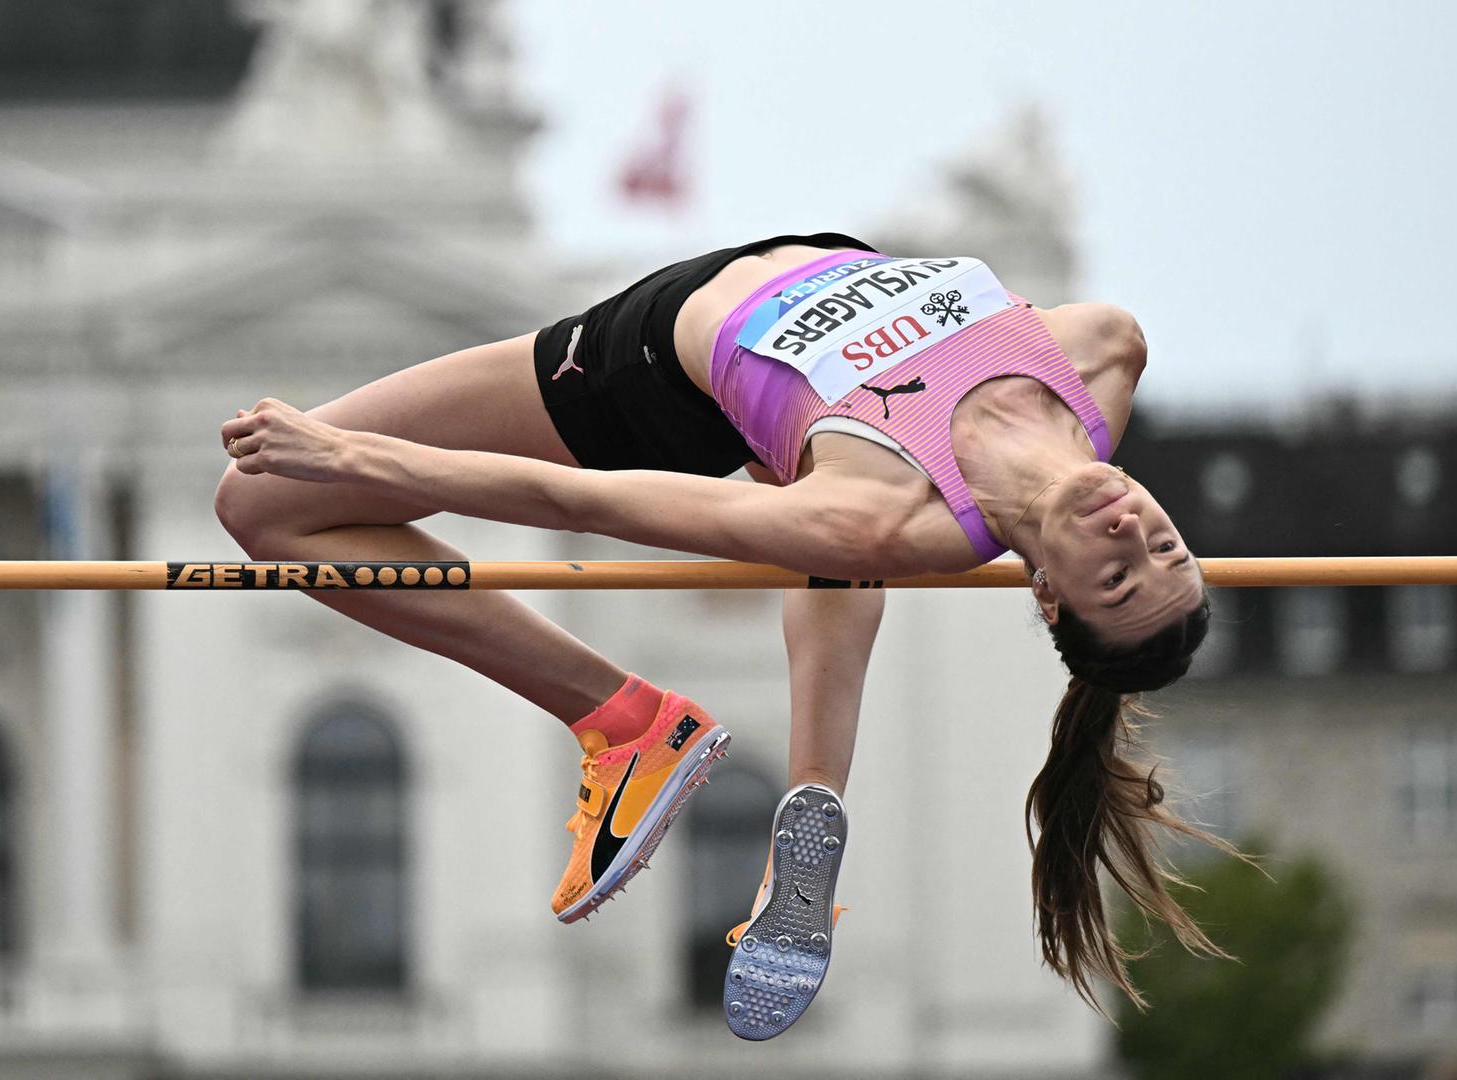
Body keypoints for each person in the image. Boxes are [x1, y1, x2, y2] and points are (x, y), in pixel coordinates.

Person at [213, 233, 1219, 1038]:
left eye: (1116, 577)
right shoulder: (1103, 351)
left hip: (658, 364)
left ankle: (623, 718)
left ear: (1046, 594)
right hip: (817, 273)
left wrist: (348, 454)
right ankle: (811, 800)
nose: (1130, 532)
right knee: (824, 524)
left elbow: (574, 500)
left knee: (261, 506)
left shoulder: (889, 516)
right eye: (1166, 545)